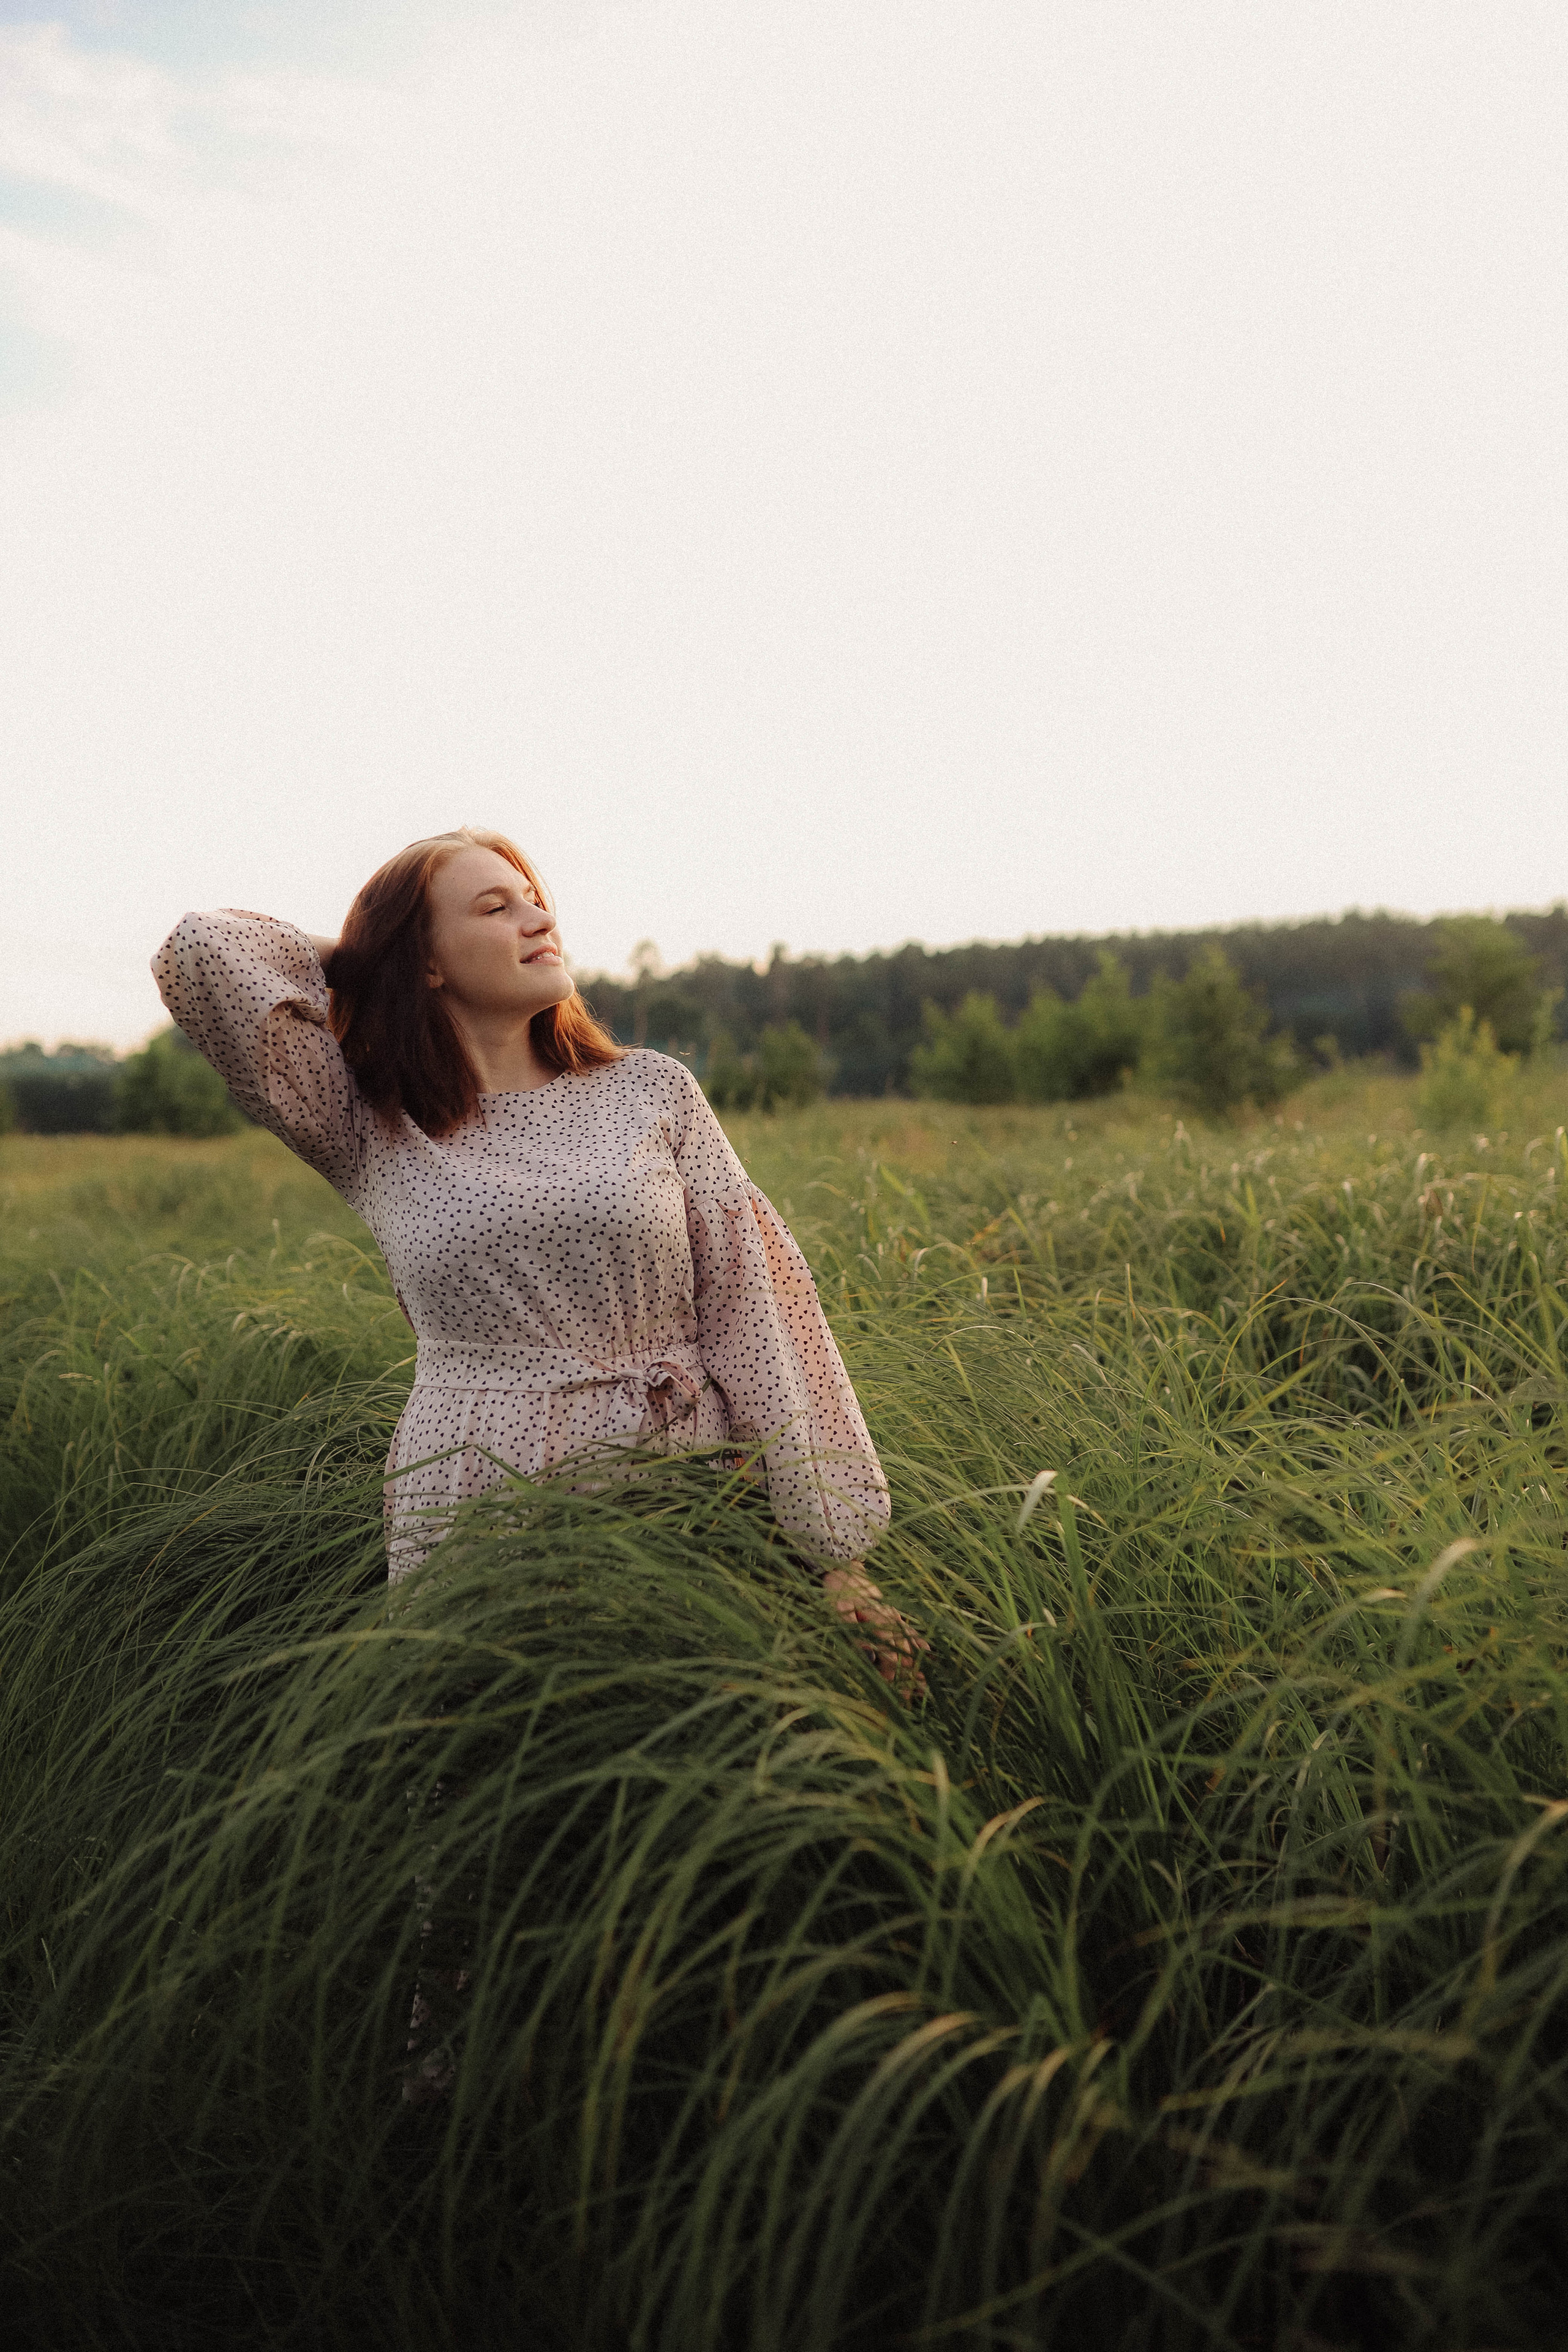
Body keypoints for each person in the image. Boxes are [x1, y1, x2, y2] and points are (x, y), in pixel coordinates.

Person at [151, 826, 922, 1679]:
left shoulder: (652, 1090)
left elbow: (760, 1306)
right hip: (476, 1494)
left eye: (536, 899)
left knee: (701, 1762)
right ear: (427, 962)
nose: (537, 918)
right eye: (495, 906)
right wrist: (369, 962)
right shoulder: (368, 1123)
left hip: (682, 1480)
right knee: (501, 1771)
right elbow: (204, 950)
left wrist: (837, 1554)